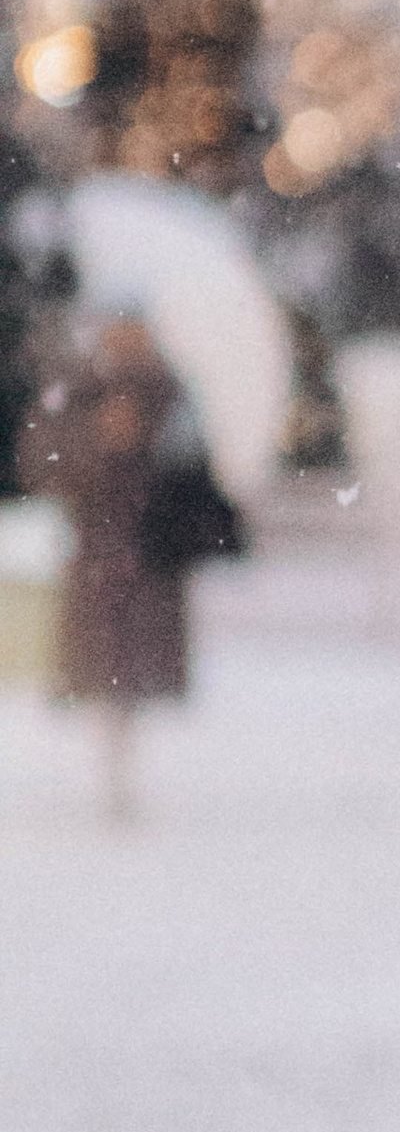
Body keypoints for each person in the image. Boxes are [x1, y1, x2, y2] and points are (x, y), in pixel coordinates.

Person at [32, 305, 224, 819]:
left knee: (134, 671)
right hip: (97, 550)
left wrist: (148, 438)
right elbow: (43, 460)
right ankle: (111, 772)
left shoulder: (171, 392)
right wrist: (96, 440)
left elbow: (196, 468)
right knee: (103, 669)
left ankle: (125, 771)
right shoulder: (79, 389)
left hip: (153, 551)